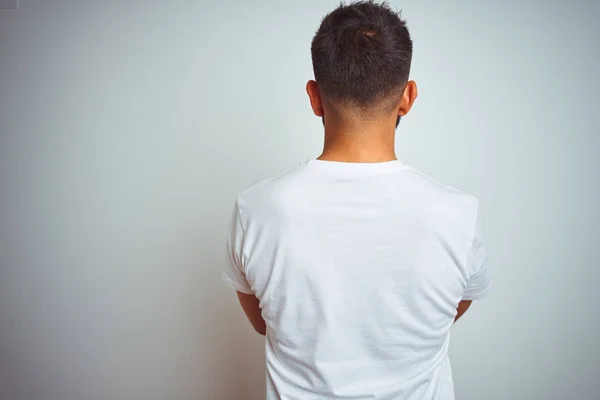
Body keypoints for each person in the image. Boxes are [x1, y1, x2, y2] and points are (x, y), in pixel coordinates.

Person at [222, 1, 491, 399]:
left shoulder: (256, 208)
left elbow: (264, 322)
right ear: (408, 97)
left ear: (314, 97)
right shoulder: (459, 214)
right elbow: (449, 312)